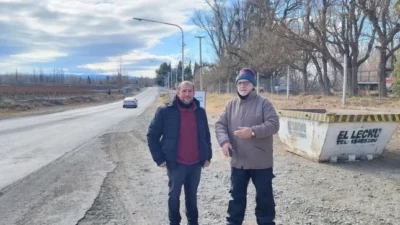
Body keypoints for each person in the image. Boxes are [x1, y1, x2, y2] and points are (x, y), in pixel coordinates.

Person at [215, 68, 280, 225]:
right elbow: (220, 124)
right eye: (240, 83)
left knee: (265, 199)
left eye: (246, 83)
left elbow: (274, 124)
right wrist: (224, 142)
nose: (242, 86)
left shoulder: (264, 103)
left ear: (253, 85)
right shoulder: (230, 105)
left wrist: (252, 132)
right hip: (238, 161)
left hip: (261, 162)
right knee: (236, 199)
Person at [147, 81, 212, 225]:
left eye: (190, 91)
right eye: (184, 91)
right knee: (174, 196)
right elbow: (152, 135)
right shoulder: (165, 112)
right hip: (175, 163)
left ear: (194, 93)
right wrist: (159, 158)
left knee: (192, 197)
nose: (187, 94)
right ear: (178, 93)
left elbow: (206, 136)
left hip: (195, 164)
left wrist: (207, 156)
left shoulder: (200, 112)